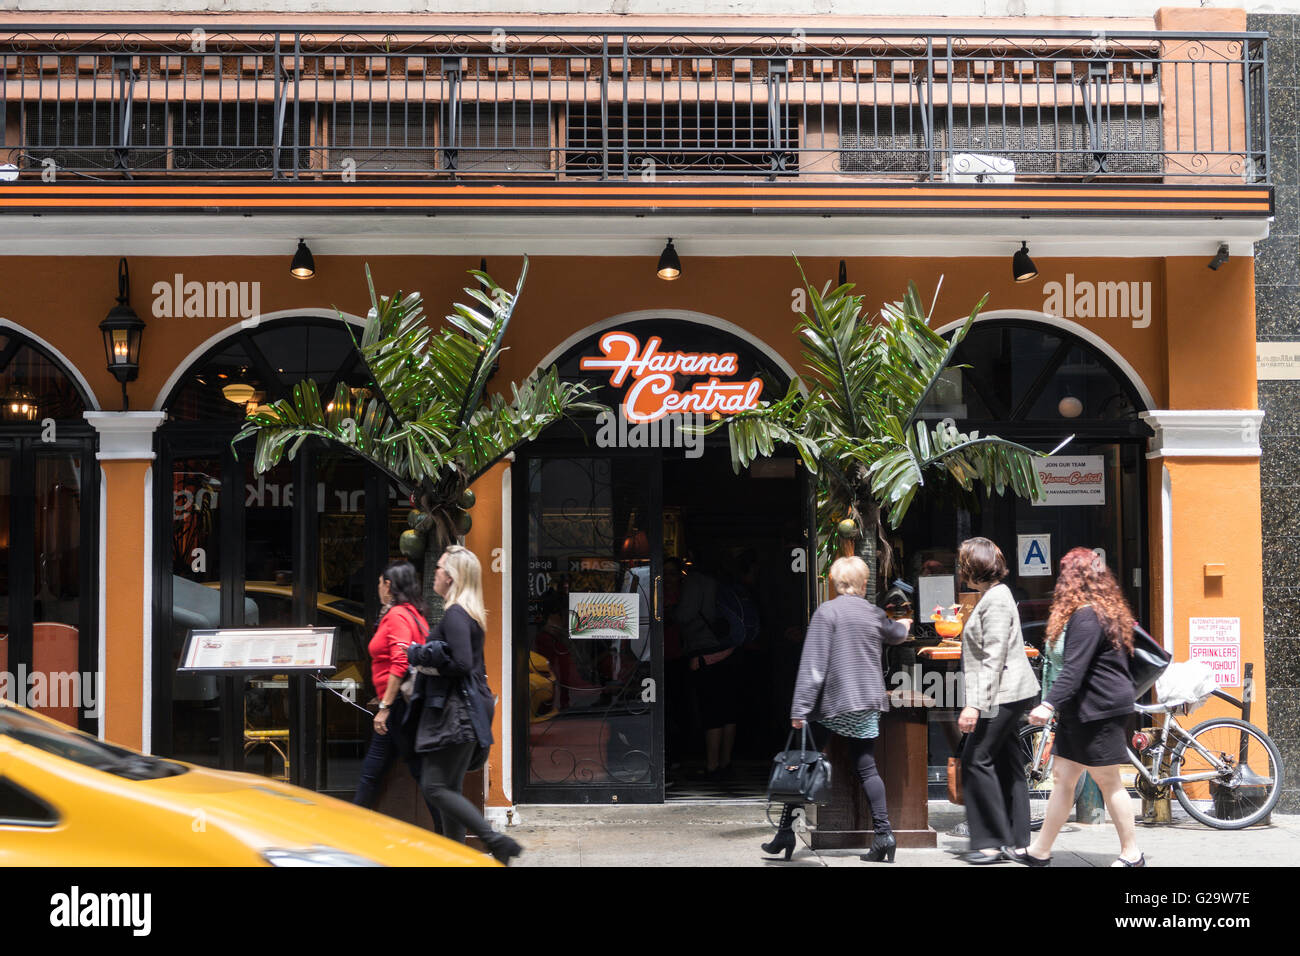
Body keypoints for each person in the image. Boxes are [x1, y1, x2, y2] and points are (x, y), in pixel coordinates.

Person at [770, 555, 912, 863]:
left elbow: (813, 665)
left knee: (803, 762)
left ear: (835, 584)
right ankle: (884, 835)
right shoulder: (874, 613)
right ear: (863, 584)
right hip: (865, 702)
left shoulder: (827, 613)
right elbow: (897, 635)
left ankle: (784, 832)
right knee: (866, 766)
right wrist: (904, 624)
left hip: (833, 704)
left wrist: (800, 708)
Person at [1022, 548, 1143, 867]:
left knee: (1108, 780)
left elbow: (1073, 669)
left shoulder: (1088, 615)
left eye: (1064, 575)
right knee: (1063, 776)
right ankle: (1040, 850)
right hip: (1085, 709)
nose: (1059, 581)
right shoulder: (1101, 610)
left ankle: (1133, 854)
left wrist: (1048, 704)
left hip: (1099, 710)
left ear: (1074, 580)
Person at [404, 545, 523, 865]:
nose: (436, 574)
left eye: (441, 569)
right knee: (449, 792)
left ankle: (496, 841)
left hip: (454, 715)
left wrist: (419, 654)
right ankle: (457, 858)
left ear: (452, 577)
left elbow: (461, 662)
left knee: (435, 787)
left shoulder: (455, 614)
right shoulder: (466, 613)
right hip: (463, 713)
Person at [955, 537, 1041, 864]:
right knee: (1008, 763)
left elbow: (995, 657)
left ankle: (991, 840)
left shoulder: (996, 600)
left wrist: (975, 704)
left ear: (972, 568)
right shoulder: (995, 596)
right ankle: (1017, 842)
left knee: (976, 758)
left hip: (1004, 693)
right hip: (1010, 691)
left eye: (963, 564)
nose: (960, 570)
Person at [352, 559, 427, 809]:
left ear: (388, 585)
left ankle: (449, 834)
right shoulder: (412, 614)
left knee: (419, 776)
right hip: (400, 706)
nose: (377, 588)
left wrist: (385, 706)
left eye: (379, 583)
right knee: (374, 773)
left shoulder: (396, 616)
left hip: (398, 708)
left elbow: (399, 661)